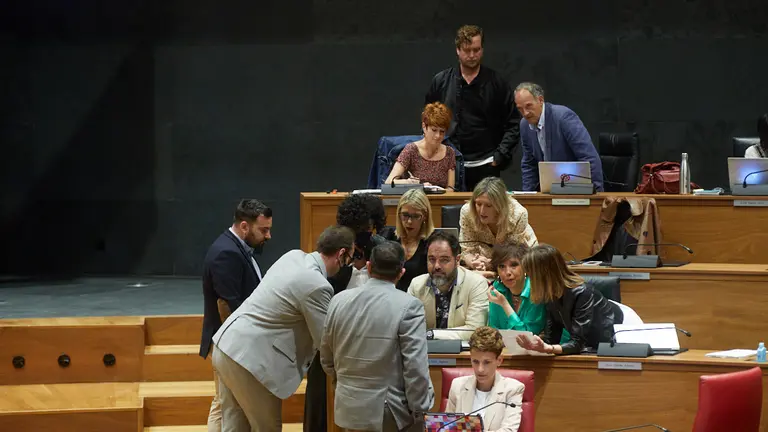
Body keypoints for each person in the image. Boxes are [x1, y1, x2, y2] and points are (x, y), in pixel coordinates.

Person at [211, 225, 355, 432]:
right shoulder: (317, 285)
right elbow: (326, 342)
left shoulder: (293, 256)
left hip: (226, 345)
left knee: (235, 426)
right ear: (341, 254)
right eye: (350, 258)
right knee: (268, 428)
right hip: (250, 362)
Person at [320, 241, 434, 432]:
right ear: (401, 272)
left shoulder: (338, 301)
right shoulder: (410, 306)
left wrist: (347, 387)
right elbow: (415, 366)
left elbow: (326, 359)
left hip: (348, 408)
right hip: (389, 413)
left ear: (369, 267)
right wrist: (420, 409)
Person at [304, 194, 387, 432]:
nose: (361, 235)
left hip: (370, 342)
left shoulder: (382, 250)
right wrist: (347, 267)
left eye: (367, 229)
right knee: (320, 403)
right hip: (331, 339)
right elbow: (322, 289)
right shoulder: (334, 249)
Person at [199, 199, 272, 432]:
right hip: (230, 345)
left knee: (222, 405)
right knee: (227, 406)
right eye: (263, 230)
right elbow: (227, 306)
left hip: (229, 344)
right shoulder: (226, 253)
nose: (268, 236)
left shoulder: (234, 247)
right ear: (244, 226)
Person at [425, 25, 520, 190]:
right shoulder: (441, 81)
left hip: (487, 163)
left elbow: (514, 122)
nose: (472, 55)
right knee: (449, 213)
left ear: (482, 49)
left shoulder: (497, 83)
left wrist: (499, 155)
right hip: (449, 163)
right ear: (457, 50)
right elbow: (428, 119)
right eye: (467, 50)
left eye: (476, 50)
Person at [516, 244, 623, 355]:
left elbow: (578, 343)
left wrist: (549, 348)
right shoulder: (550, 296)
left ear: (544, 274)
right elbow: (551, 340)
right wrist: (535, 346)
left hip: (621, 329)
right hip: (595, 340)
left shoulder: (583, 293)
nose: (528, 279)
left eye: (530, 275)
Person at [514, 82, 604, 192]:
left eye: (529, 106)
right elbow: (529, 164)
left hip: (576, 189)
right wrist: (527, 196)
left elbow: (589, 157)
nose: (525, 113)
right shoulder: (524, 125)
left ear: (540, 100)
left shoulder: (563, 117)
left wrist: (597, 195)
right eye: (520, 109)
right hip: (549, 191)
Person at [407, 230, 488, 340]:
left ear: (457, 260)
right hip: (424, 353)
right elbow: (409, 327)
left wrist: (431, 334)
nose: (437, 266)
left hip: (463, 354)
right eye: (431, 259)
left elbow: (475, 330)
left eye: (444, 260)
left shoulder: (476, 283)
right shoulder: (417, 285)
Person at [446, 327, 524, 432]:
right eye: (475, 361)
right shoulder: (457, 385)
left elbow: (509, 430)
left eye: (487, 362)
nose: (480, 369)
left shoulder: (513, 389)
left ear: (499, 360)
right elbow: (447, 427)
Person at [459, 177, 537, 276]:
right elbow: (467, 249)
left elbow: (513, 254)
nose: (482, 211)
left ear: (500, 206)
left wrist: (490, 265)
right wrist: (474, 262)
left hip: (518, 260)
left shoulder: (518, 213)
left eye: (488, 205)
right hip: (485, 261)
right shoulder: (467, 211)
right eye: (478, 204)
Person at [385, 102, 457, 189]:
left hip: (439, 200)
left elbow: (450, 189)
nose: (438, 136)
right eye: (434, 130)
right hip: (416, 199)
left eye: (442, 132)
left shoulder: (449, 153)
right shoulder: (411, 150)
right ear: (424, 127)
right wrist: (411, 183)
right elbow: (389, 182)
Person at [380, 188, 434, 291]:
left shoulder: (432, 242)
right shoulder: (387, 236)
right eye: (405, 215)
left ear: (425, 216)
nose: (409, 221)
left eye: (416, 216)